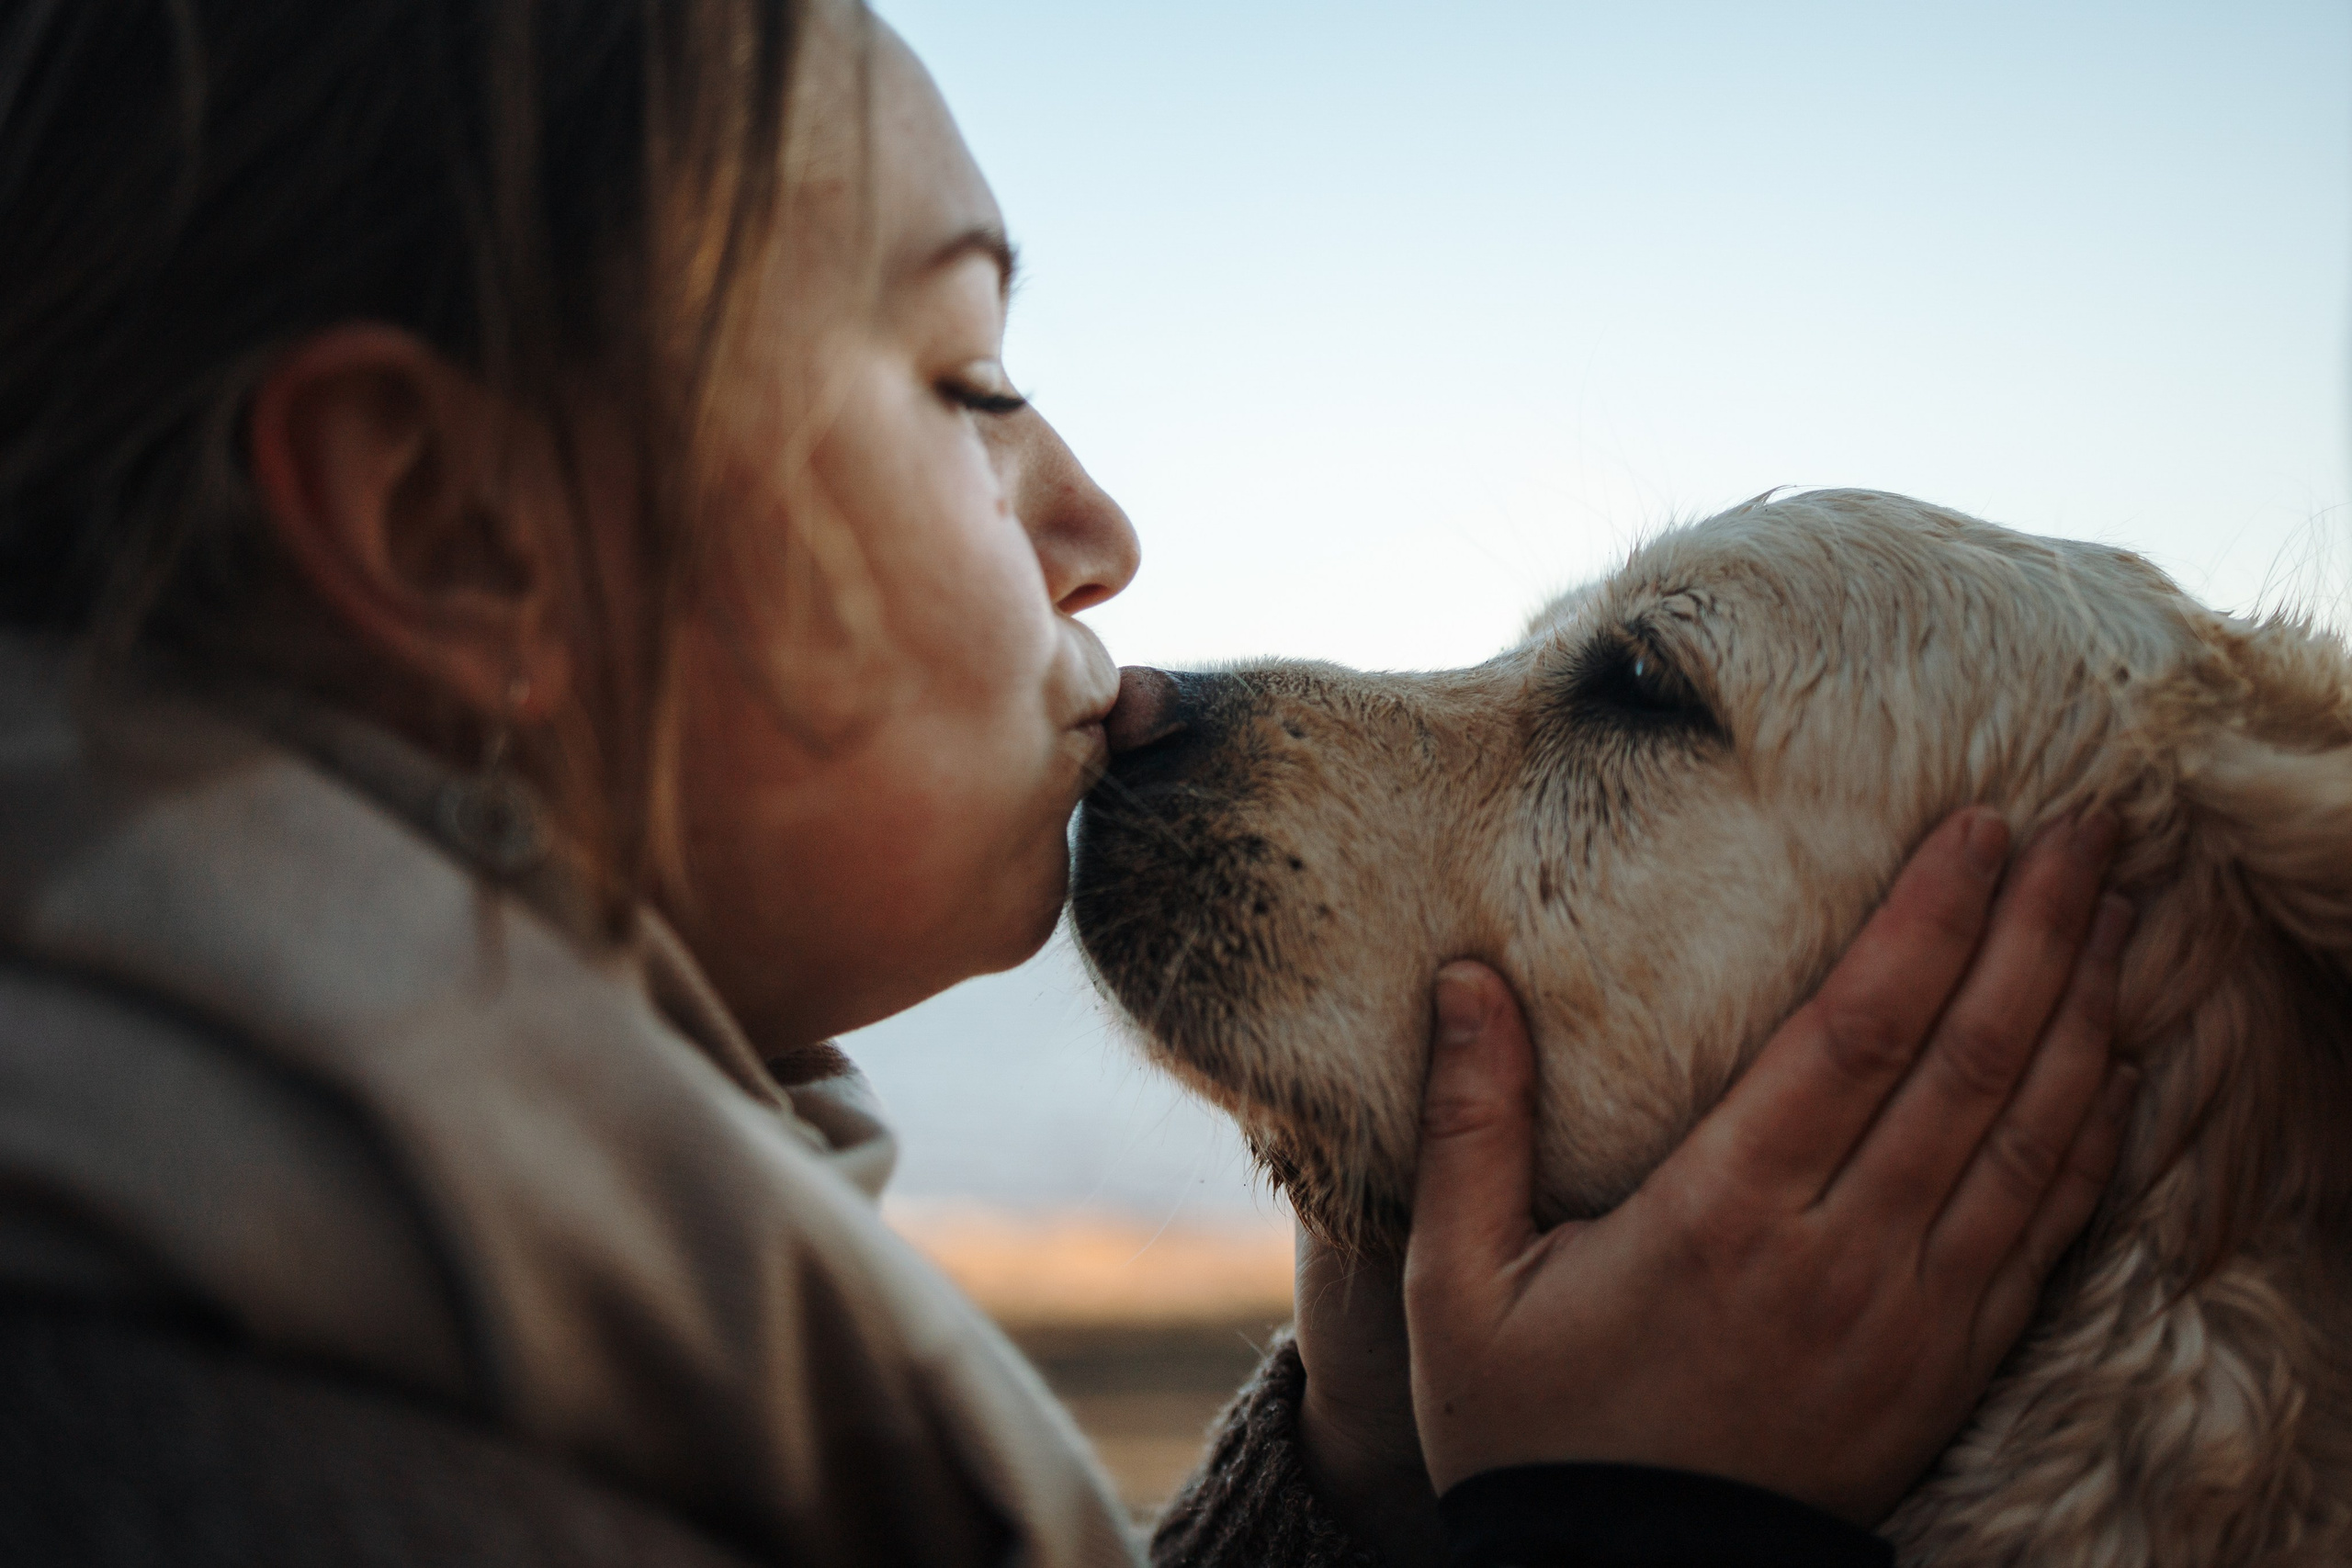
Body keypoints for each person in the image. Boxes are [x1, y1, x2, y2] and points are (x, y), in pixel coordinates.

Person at [0, 2, 2130, 1565]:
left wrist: (1364, 1484)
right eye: (966, 380)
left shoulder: (454, 1279)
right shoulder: (217, 1455)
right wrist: (1624, 1538)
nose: (1097, 524)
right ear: (455, 527)